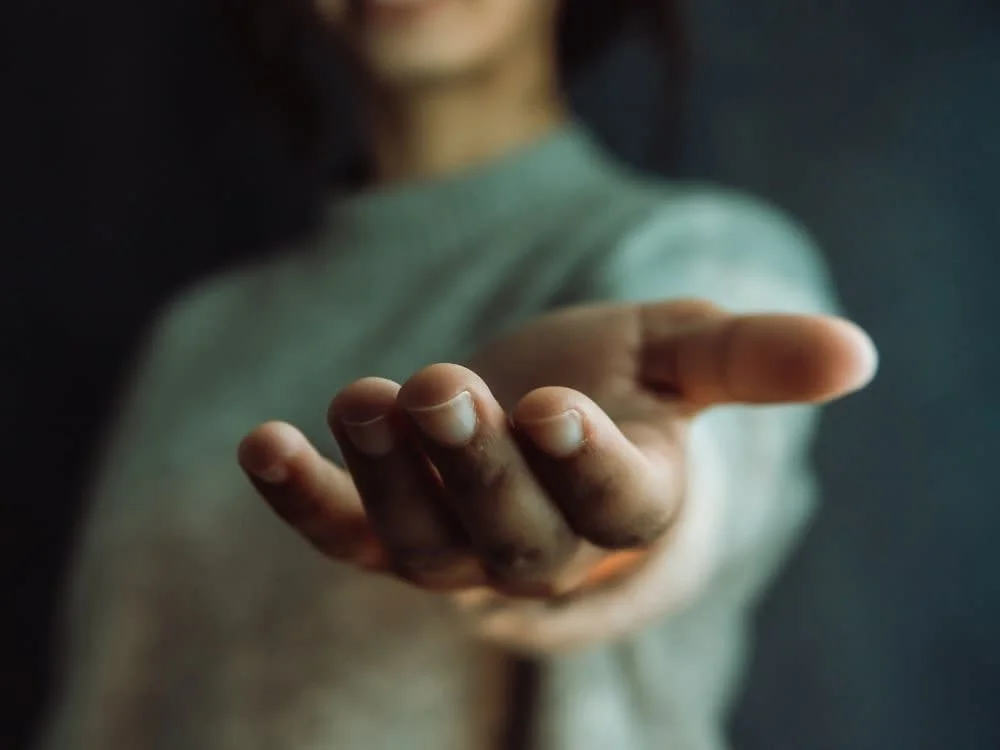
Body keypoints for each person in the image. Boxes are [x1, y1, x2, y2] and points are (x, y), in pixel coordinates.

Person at [36, 1, 878, 748]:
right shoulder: (199, 333)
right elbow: (108, 700)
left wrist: (612, 521)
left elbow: (708, 471)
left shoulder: (690, 251)